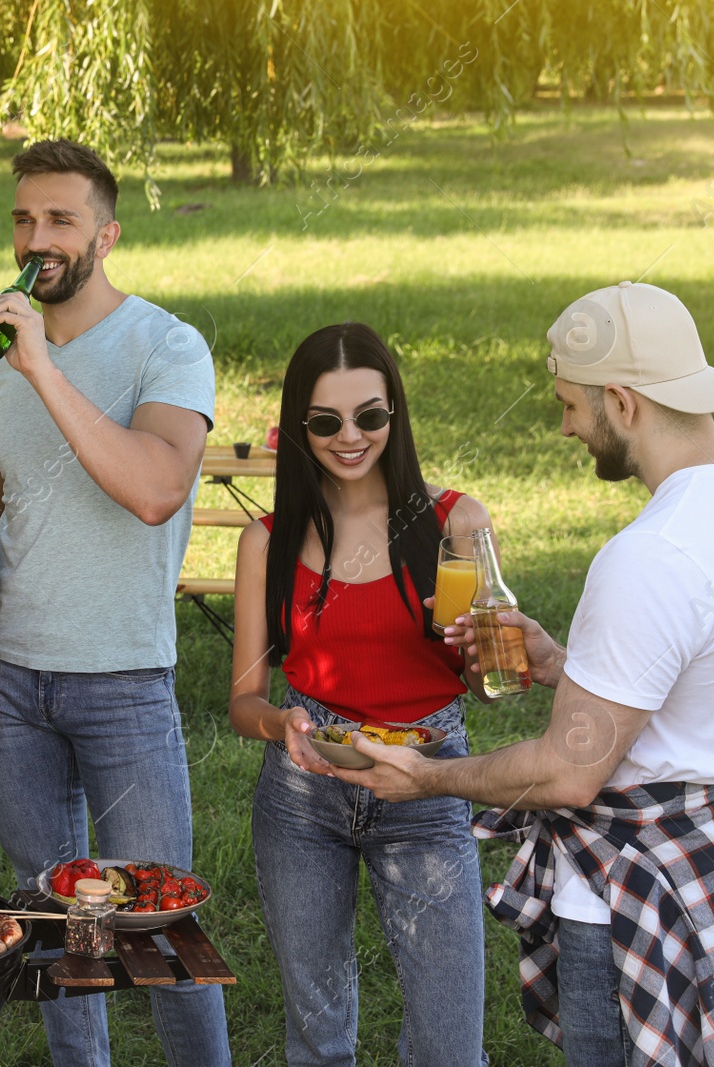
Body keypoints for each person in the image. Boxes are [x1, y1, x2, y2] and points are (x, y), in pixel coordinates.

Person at [337, 281, 714, 1066]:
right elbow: (687, 683)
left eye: (571, 404)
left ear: (622, 399)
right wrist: (565, 666)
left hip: (636, 896)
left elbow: (568, 774)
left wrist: (424, 776)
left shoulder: (650, 555)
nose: (567, 425)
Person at [0, 138, 230, 1067]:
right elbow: (11, 500)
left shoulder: (168, 345)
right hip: (12, 681)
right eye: (23, 218)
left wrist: (43, 367)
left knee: (160, 924)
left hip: (120, 677)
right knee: (57, 926)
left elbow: (156, 486)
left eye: (60, 220)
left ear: (107, 234)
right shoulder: (9, 352)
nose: (36, 238)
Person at [228, 322, 493, 1067]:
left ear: (395, 415)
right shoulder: (269, 539)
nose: (350, 437)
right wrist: (281, 721)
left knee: (449, 1045)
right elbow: (243, 700)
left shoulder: (453, 524)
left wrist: (485, 661)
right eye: (326, 421)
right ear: (299, 425)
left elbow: (491, 686)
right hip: (304, 792)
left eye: (370, 416)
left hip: (428, 780)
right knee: (316, 1038)